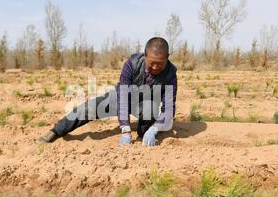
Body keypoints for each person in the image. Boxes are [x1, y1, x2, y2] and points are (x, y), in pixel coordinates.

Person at [39, 37, 178, 147]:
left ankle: (146, 129)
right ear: (145, 55)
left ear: (167, 57)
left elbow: (169, 108)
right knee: (90, 107)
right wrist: (125, 129)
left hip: (147, 105)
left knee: (145, 130)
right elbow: (123, 97)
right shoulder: (132, 64)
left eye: (160, 64)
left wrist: (154, 129)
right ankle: (56, 131)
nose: (155, 67)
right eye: (151, 62)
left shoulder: (171, 74)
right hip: (122, 97)